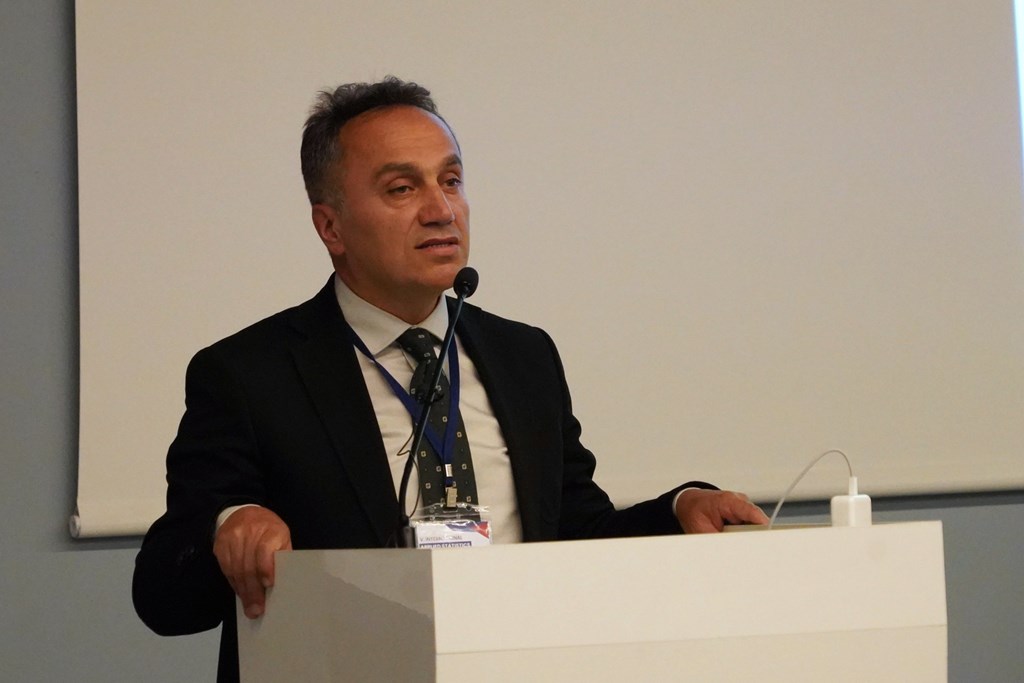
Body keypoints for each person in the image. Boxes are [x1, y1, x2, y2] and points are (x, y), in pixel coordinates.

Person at [132, 76, 769, 683]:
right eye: (402, 188)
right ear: (331, 227)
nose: (441, 210)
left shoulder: (524, 356)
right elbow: (162, 598)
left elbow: (577, 533)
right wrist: (227, 528)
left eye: (452, 181)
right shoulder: (250, 373)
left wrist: (681, 509)